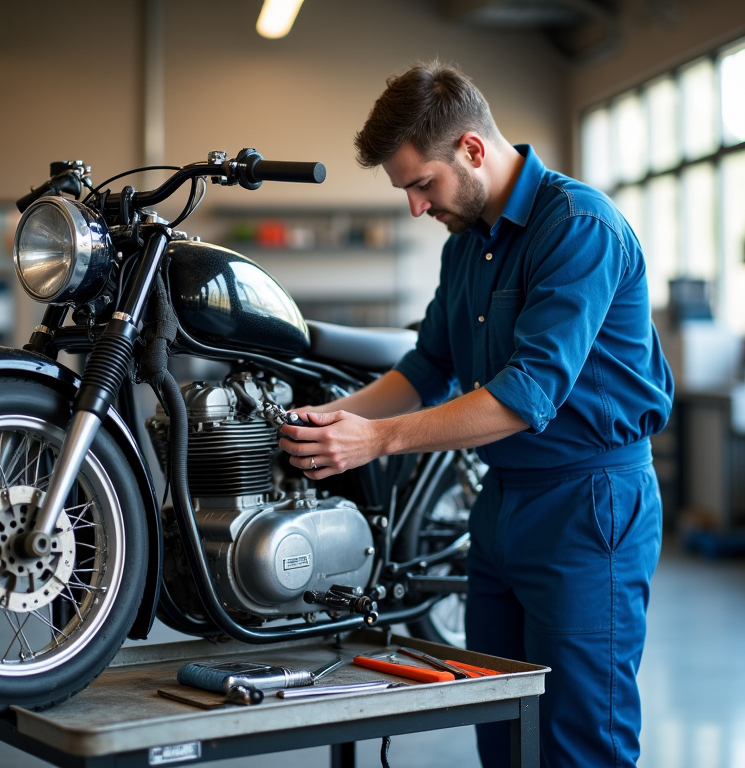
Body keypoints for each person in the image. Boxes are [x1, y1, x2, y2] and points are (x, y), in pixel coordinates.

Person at [277, 61, 674, 767]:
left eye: (421, 184)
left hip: (588, 503)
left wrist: (376, 442)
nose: (416, 209)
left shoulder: (576, 226)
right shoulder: (467, 247)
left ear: (471, 149)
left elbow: (527, 394)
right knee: (502, 723)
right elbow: (426, 369)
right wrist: (326, 422)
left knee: (582, 738)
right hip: (502, 505)